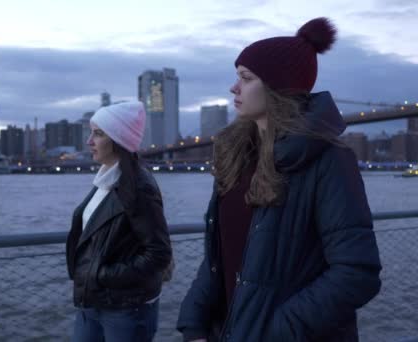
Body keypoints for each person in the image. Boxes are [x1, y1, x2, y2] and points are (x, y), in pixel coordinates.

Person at [176, 17, 381, 342]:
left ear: (277, 88)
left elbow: (357, 274)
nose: (234, 87)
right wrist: (194, 323)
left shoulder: (329, 161)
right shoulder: (236, 156)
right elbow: (218, 256)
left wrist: (273, 332)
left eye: (245, 78)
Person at [66, 101, 173, 341]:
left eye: (98, 134)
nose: (89, 141)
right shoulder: (105, 181)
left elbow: (158, 253)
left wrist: (102, 274)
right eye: (91, 132)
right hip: (94, 301)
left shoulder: (139, 188)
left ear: (118, 140)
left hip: (125, 309)